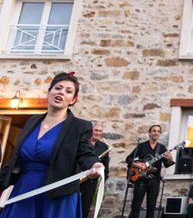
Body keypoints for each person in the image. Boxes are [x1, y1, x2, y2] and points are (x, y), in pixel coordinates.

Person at [0, 72, 104, 218]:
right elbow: (15, 159)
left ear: (73, 100)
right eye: (58, 88)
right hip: (24, 190)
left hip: (57, 196)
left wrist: (94, 165)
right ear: (49, 92)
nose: (61, 92)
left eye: (68, 91)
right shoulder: (32, 121)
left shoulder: (80, 126)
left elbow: (85, 152)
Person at [126, 124, 175, 218]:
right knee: (136, 205)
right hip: (140, 179)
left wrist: (170, 158)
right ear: (149, 133)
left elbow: (167, 164)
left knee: (151, 206)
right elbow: (128, 159)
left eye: (158, 131)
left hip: (154, 180)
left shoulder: (162, 148)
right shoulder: (141, 146)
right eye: (154, 131)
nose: (156, 133)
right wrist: (137, 164)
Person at [80, 122, 110, 218]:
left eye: (100, 131)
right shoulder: (83, 143)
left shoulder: (104, 147)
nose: (97, 133)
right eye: (96, 130)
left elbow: (105, 165)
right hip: (79, 177)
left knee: (86, 204)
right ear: (91, 131)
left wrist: (103, 179)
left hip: (92, 180)